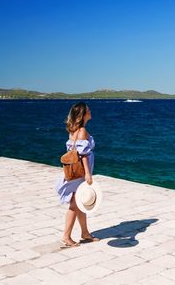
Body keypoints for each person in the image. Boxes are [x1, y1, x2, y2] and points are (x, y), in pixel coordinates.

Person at [54, 102, 99, 248]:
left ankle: (85, 233)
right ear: (83, 114)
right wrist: (88, 174)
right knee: (74, 204)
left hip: (73, 171)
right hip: (80, 173)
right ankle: (66, 237)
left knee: (79, 202)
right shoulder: (82, 131)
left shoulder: (72, 131)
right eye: (88, 110)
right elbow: (84, 155)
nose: (90, 111)